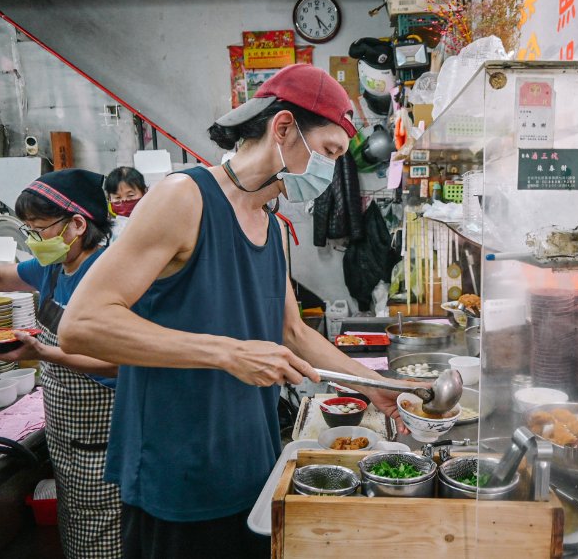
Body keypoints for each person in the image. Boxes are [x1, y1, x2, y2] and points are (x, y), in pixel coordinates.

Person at [59, 64, 410, 559]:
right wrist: (227, 353)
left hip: (249, 464)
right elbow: (82, 324)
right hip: (179, 472)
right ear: (283, 128)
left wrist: (376, 387)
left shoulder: (272, 228)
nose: (331, 172)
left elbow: (292, 331)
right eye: (328, 152)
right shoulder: (185, 198)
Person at [0, 169, 122, 558]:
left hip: (103, 440)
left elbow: (119, 362)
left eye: (38, 228)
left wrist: (39, 353)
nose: (32, 239)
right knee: (77, 531)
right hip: (68, 436)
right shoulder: (54, 267)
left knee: (104, 540)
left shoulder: (105, 277)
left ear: (77, 224)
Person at [105, 166, 148, 240]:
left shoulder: (154, 219)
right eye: (118, 197)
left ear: (145, 192)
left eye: (130, 195)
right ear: (109, 198)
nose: (124, 200)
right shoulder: (108, 230)